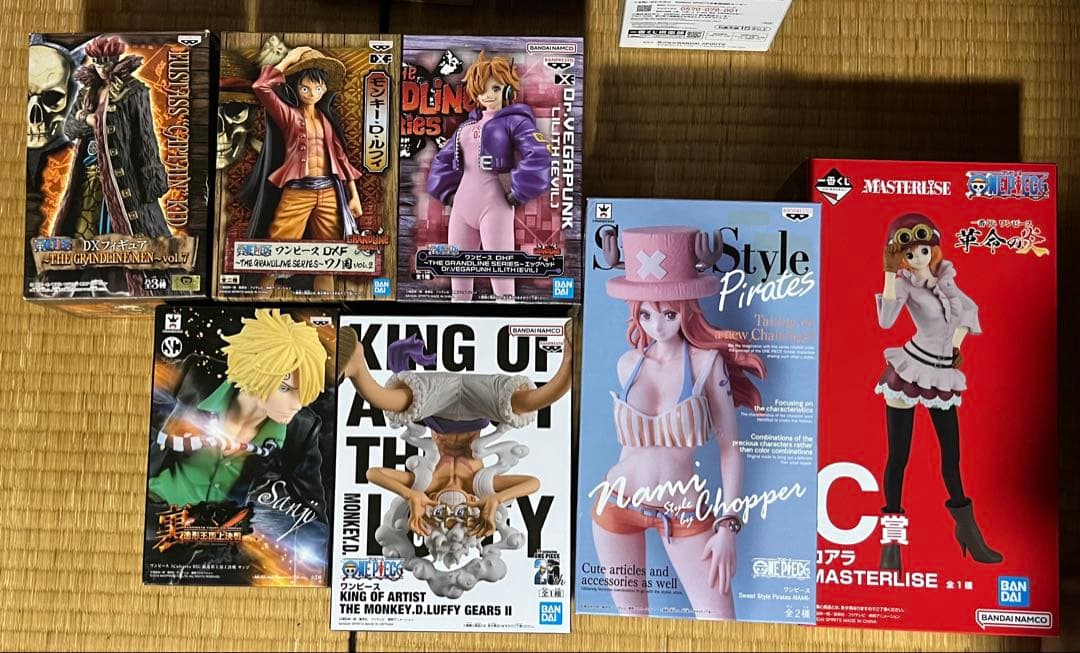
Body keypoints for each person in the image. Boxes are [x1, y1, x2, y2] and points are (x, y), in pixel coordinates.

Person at [592, 226, 765, 620]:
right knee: (630, 630)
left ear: (687, 310)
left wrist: (728, 525)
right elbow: (631, 447)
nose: (657, 326)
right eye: (646, 314)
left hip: (683, 512)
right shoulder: (628, 365)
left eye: (669, 314)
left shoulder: (706, 364)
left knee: (719, 626)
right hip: (615, 503)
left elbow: (730, 449)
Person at [875, 213, 1001, 571]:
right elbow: (885, 320)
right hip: (909, 371)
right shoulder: (905, 284)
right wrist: (889, 273)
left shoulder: (945, 281)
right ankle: (891, 545)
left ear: (934, 248)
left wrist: (956, 346)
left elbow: (969, 311)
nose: (917, 257)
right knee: (899, 457)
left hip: (942, 375)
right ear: (900, 257)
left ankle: (968, 533)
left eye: (923, 249)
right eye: (909, 253)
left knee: (951, 456)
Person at [147, 309, 329, 530]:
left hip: (223, 539)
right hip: (155, 517)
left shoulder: (301, 431)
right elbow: (144, 419)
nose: (297, 405)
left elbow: (313, 521)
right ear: (256, 372)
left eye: (303, 391)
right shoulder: (194, 377)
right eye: (284, 388)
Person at [239, 44, 364, 295]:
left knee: (327, 261)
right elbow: (260, 87)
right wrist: (288, 59)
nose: (312, 92)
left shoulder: (327, 121)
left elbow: (341, 159)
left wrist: (354, 195)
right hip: (297, 192)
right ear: (296, 88)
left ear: (324, 89)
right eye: (305, 87)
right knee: (275, 258)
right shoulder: (290, 116)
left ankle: (325, 314)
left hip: (329, 193)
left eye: (317, 87)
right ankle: (257, 309)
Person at [426, 51, 552, 302]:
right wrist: (446, 193)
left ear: (507, 89)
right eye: (482, 89)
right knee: (459, 285)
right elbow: (442, 159)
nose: (488, 95)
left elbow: (539, 154)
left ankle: (507, 321)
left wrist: (519, 191)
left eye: (495, 88)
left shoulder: (515, 122)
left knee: (503, 284)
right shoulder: (466, 127)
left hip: (496, 205)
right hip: (461, 207)